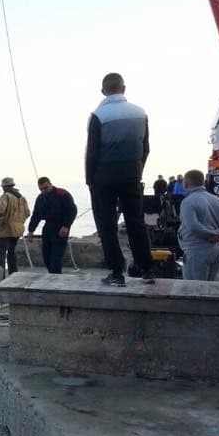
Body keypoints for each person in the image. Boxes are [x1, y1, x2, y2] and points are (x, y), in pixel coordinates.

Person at [85, 72, 154, 285]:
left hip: (103, 178)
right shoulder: (140, 113)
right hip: (131, 175)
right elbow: (146, 148)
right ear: (124, 88)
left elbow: (92, 152)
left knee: (107, 225)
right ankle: (146, 269)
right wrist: (137, 170)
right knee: (136, 222)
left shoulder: (98, 115)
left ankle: (116, 272)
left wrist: (90, 180)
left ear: (103, 91)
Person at [178, 169, 219, 280]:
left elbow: (193, 227)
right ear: (203, 182)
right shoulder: (218, 200)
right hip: (217, 250)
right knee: (208, 288)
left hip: (196, 250)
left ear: (186, 183)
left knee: (194, 290)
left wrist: (212, 235)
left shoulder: (188, 202)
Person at [26, 177, 77, 274]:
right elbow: (36, 215)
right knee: (46, 255)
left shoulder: (62, 194)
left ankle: (56, 275)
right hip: (48, 227)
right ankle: (51, 274)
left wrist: (66, 225)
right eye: (41, 189)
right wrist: (31, 230)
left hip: (61, 226)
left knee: (56, 256)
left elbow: (72, 210)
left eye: (45, 188)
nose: (44, 190)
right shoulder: (40, 198)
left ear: (50, 184)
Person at [0, 176, 30, 275]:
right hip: (18, 229)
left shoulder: (5, 196)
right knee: (11, 252)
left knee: (1, 253)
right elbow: (27, 213)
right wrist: (19, 221)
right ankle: (13, 273)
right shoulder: (22, 198)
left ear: (4, 187)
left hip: (5, 229)